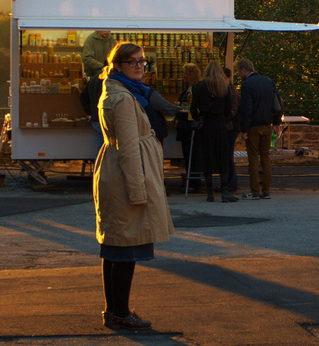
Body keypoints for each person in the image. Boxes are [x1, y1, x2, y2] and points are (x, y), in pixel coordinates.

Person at [94, 41, 175, 330]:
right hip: (125, 175)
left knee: (115, 243)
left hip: (115, 172)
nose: (140, 66)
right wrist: (139, 191)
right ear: (117, 66)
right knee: (126, 246)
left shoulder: (121, 91)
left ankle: (114, 310)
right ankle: (120, 312)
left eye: (142, 61)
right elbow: (128, 147)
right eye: (132, 62)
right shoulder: (124, 98)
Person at [190, 62, 239, 203]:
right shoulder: (224, 87)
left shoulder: (199, 86)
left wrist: (199, 118)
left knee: (207, 157)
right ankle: (224, 191)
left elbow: (194, 108)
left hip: (205, 126)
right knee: (222, 157)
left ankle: (210, 193)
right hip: (219, 125)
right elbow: (229, 108)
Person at [235, 58, 277, 199]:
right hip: (267, 125)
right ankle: (266, 191)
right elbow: (277, 103)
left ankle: (254, 191)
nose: (239, 75)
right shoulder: (268, 81)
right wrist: (276, 122)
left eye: (238, 72)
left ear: (243, 69)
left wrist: (244, 129)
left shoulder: (247, 84)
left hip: (253, 127)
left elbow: (246, 108)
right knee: (265, 157)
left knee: (253, 158)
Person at [176, 62, 202, 190]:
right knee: (189, 156)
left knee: (191, 156)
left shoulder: (194, 89)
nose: (184, 76)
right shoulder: (192, 88)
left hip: (189, 126)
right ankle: (193, 182)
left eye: (186, 73)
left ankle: (194, 183)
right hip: (187, 126)